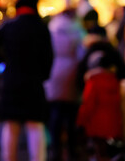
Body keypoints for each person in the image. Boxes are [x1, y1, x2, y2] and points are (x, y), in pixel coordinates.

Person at [0, 0, 54, 161]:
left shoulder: (9, 25)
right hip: (34, 82)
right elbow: (49, 57)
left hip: (11, 81)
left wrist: (2, 64)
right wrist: (43, 76)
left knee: (11, 125)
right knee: (35, 125)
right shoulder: (41, 27)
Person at [44, 9, 83, 161]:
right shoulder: (77, 29)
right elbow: (81, 53)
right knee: (71, 114)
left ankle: (55, 148)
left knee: (56, 112)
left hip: (55, 70)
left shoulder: (52, 28)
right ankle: (72, 148)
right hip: (71, 70)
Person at [76, 49, 124, 161]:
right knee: (109, 153)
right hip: (114, 125)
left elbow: (88, 104)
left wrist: (80, 122)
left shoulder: (93, 81)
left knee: (100, 153)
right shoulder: (114, 80)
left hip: (97, 126)